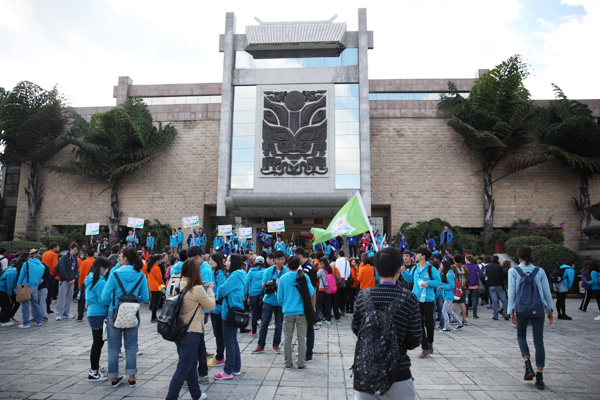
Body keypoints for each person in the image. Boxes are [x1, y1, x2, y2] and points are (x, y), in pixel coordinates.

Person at [351, 247, 421, 399]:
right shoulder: (409, 298)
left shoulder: (363, 296)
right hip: (398, 372)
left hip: (366, 371)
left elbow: (356, 328)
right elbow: (415, 339)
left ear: (376, 269)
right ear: (399, 269)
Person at [166, 258, 215, 400]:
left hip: (179, 329)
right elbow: (210, 305)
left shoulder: (178, 283)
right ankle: (171, 396)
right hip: (191, 331)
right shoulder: (197, 289)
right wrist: (210, 290)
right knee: (184, 366)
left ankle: (196, 394)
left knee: (191, 363)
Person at [101, 247, 149, 388]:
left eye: (121, 257)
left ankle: (113, 377)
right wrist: (133, 301)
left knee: (113, 347)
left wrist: (113, 303)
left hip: (115, 311)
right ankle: (132, 377)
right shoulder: (140, 275)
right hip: (132, 312)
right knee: (131, 346)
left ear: (125, 259)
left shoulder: (115, 274)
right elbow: (145, 297)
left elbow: (104, 297)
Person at [507, 245, 553, 390]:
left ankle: (527, 364)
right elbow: (546, 291)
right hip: (538, 308)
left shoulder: (513, 271)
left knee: (521, 335)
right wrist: (550, 309)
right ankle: (540, 375)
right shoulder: (539, 271)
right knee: (539, 341)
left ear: (518, 256)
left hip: (521, 308)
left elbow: (512, 291)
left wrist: (510, 310)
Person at [277, 255, 314, 369]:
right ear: (299, 265)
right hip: (301, 311)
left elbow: (279, 298)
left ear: (287, 265)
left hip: (288, 311)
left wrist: (285, 304)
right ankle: (301, 363)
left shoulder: (283, 279)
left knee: (287, 337)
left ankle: (288, 362)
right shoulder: (304, 277)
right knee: (301, 337)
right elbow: (311, 292)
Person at [214, 254, 246, 380]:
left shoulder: (234, 275)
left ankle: (228, 371)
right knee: (232, 340)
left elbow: (221, 291)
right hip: (234, 309)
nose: (226, 262)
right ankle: (236, 368)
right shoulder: (240, 274)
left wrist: (218, 291)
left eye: (228, 260)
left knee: (229, 341)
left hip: (229, 311)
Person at [253, 251, 288, 353]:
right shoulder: (268, 271)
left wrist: (280, 285)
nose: (281, 261)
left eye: (283, 259)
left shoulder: (286, 271)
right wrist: (268, 283)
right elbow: (263, 284)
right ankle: (260, 345)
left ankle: (276, 345)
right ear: (274, 260)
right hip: (268, 300)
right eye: (279, 259)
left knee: (279, 324)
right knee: (264, 324)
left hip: (280, 302)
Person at [409, 246, 441, 358]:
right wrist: (403, 273)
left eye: (417, 254)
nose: (415, 255)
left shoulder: (431, 269)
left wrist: (428, 283)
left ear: (423, 256)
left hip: (428, 300)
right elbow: (409, 279)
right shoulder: (415, 268)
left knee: (429, 323)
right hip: (417, 299)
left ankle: (430, 341)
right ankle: (425, 348)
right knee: (419, 324)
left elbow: (438, 282)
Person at [85, 257, 111, 381]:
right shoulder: (100, 282)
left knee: (97, 342)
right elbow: (103, 300)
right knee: (97, 343)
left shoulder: (90, 279)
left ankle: (95, 367)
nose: (106, 272)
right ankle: (93, 371)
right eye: (106, 269)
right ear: (101, 268)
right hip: (99, 313)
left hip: (92, 312)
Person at [16, 250, 46, 328]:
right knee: (35, 303)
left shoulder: (26, 264)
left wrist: (18, 285)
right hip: (35, 286)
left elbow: (21, 276)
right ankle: (39, 321)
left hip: (26, 285)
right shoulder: (42, 266)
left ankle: (26, 323)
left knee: (25, 304)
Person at [245, 255, 266, 338]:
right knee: (263, 313)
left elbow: (246, 282)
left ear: (255, 262)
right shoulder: (265, 271)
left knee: (254, 313)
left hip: (253, 294)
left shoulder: (251, 271)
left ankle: (254, 332)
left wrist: (245, 294)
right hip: (263, 294)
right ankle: (263, 332)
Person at [57, 243, 79, 321]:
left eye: (76, 250)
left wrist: (74, 279)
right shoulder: (64, 258)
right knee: (61, 297)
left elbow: (76, 269)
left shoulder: (75, 258)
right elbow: (62, 269)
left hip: (72, 280)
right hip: (64, 280)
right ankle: (59, 313)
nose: (75, 251)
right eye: (74, 250)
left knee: (69, 297)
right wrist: (68, 279)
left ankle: (66, 312)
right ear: (71, 249)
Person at [439, 261, 463, 331]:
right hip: (448, 295)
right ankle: (459, 323)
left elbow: (452, 285)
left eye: (441, 265)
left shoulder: (448, 275)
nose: (440, 266)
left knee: (444, 311)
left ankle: (447, 327)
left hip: (449, 295)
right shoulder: (448, 274)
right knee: (449, 311)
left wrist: (442, 287)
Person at [486, 255, 509, 320]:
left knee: (494, 301)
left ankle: (495, 315)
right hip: (499, 285)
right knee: (504, 300)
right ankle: (506, 314)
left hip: (491, 285)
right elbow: (506, 272)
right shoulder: (499, 267)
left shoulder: (488, 266)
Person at [77, 248, 96, 322]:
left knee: (82, 300)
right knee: (92, 299)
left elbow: (81, 273)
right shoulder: (95, 262)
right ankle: (91, 314)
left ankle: (80, 316)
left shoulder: (84, 262)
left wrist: (79, 283)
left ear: (87, 255)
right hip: (94, 282)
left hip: (85, 282)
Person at [41, 242, 59, 313]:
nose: (58, 248)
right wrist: (55, 272)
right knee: (49, 292)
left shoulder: (45, 253)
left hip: (43, 273)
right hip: (50, 274)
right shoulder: (54, 254)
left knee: (43, 291)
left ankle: (43, 307)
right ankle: (47, 308)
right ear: (54, 248)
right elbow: (54, 265)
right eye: (57, 247)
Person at [146, 255, 164, 322]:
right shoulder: (157, 268)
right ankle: (153, 316)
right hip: (157, 287)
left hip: (152, 286)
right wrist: (163, 284)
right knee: (156, 302)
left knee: (153, 300)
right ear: (157, 261)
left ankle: (153, 316)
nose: (160, 262)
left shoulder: (150, 267)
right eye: (160, 260)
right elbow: (159, 278)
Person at [452, 254, 469, 324]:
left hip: (455, 288)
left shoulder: (452, 267)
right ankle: (464, 319)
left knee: (454, 303)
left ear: (454, 260)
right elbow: (467, 278)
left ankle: (455, 319)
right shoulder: (465, 268)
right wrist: (467, 288)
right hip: (462, 287)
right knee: (462, 303)